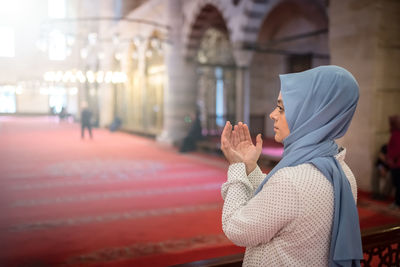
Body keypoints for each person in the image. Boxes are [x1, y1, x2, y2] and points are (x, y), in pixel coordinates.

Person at [220, 66, 363, 266]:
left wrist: (237, 167)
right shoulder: (342, 172)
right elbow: (283, 205)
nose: (272, 114)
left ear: (312, 113)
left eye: (282, 108)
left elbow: (236, 227)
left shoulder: (292, 181)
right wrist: (251, 168)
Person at [388, 115, 400, 209]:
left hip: (397, 164)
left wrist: (392, 159)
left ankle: (397, 203)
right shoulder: (395, 132)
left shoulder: (396, 133)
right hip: (395, 163)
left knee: (398, 184)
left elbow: (396, 149)